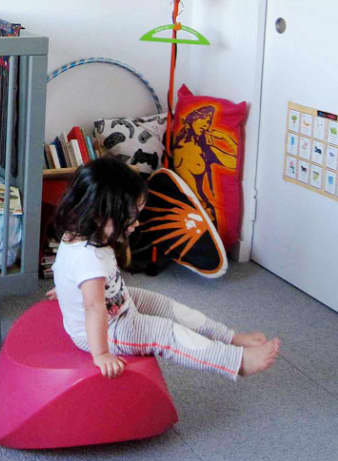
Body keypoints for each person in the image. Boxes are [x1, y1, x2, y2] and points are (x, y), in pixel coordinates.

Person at [48, 158, 280, 381]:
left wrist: (68, 291)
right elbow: (93, 307)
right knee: (165, 332)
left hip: (116, 304)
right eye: (129, 218)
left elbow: (64, 267)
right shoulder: (88, 257)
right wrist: (101, 354)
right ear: (99, 215)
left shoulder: (80, 233)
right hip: (106, 331)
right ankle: (236, 362)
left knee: (167, 306)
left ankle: (230, 338)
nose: (136, 223)